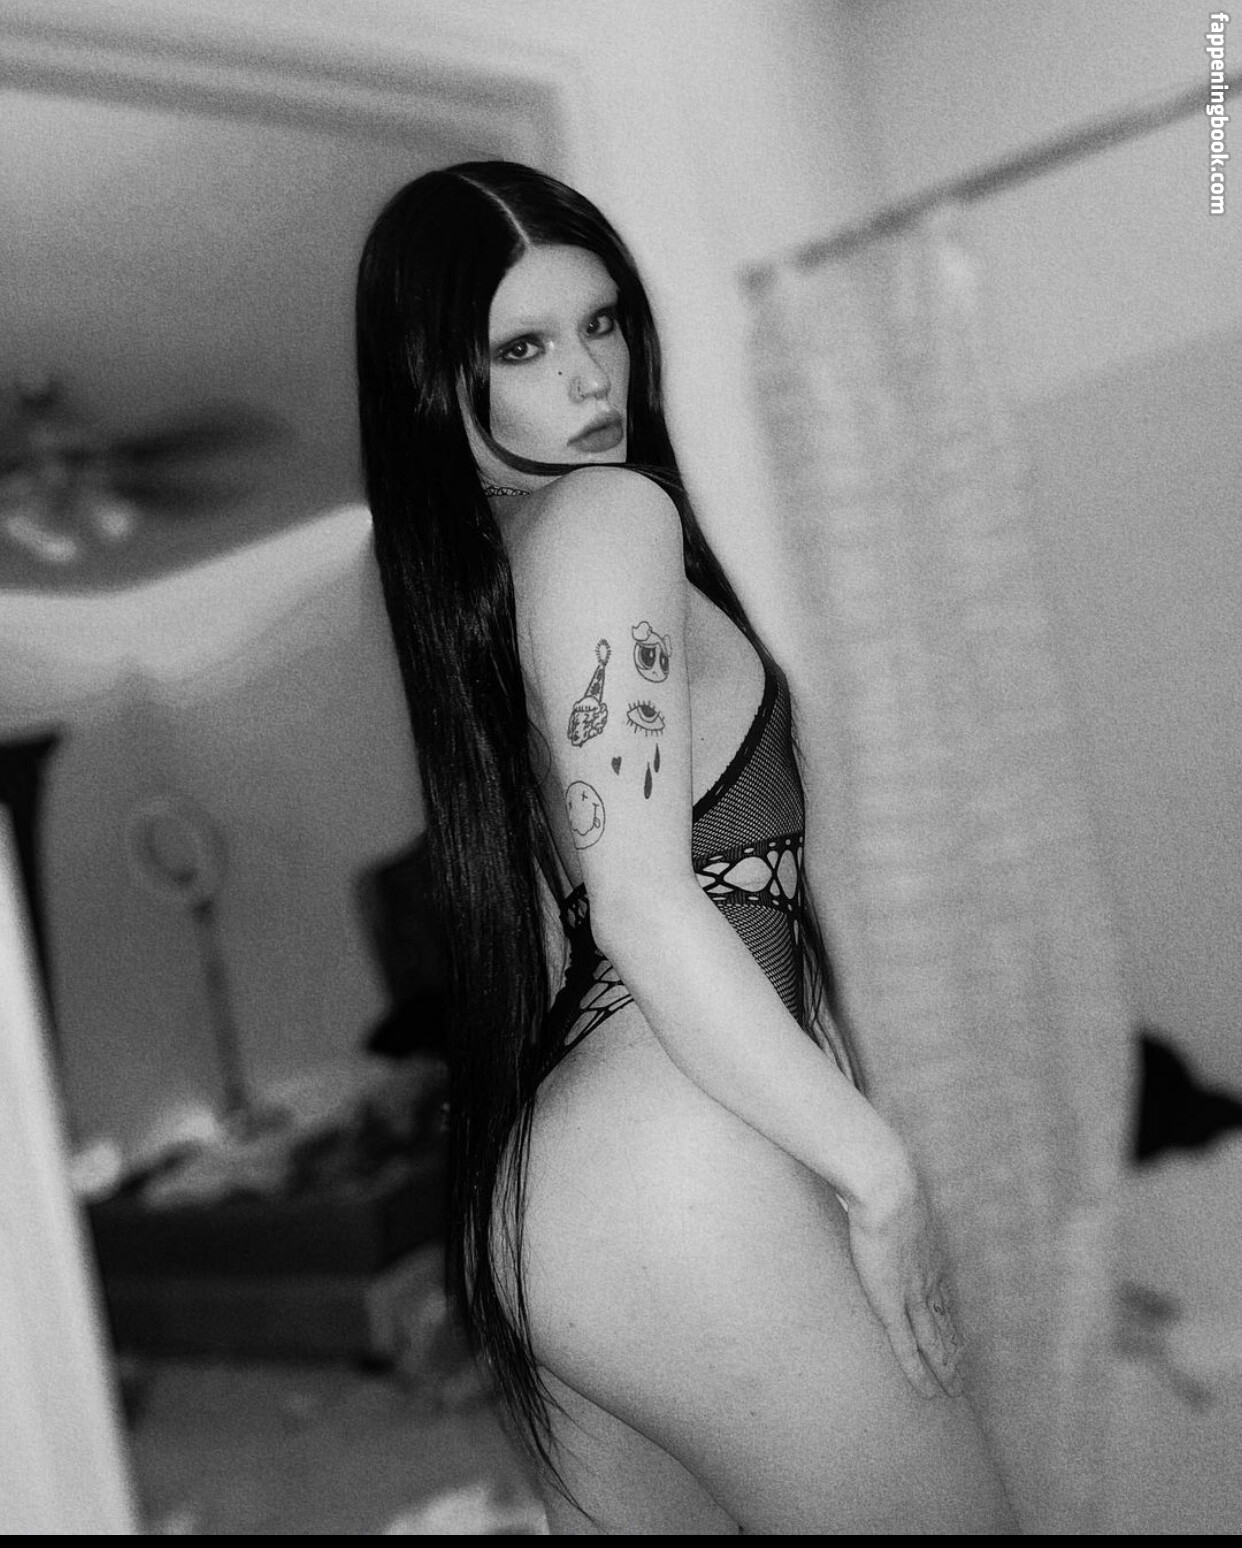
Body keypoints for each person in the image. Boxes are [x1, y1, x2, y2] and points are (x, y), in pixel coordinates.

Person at [355, 161, 1017, 1534]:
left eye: (601, 323)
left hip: (545, 1196)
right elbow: (647, 906)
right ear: (434, 381)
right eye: (522, 349)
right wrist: (875, 1169)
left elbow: (563, 932)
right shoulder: (608, 518)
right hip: (679, 1165)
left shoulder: (488, 581)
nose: (588, 376)